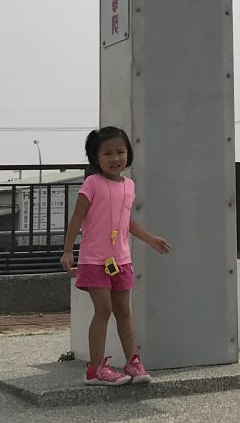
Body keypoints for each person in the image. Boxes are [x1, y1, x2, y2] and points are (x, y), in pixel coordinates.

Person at [61, 126, 171, 386]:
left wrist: (150, 238)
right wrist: (67, 250)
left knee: (123, 311)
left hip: (121, 260)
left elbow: (126, 221)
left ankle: (133, 362)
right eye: (107, 153)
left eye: (120, 152)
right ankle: (95, 369)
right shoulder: (92, 183)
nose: (115, 158)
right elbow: (77, 217)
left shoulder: (129, 185)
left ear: (128, 154)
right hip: (93, 260)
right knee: (104, 309)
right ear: (95, 158)